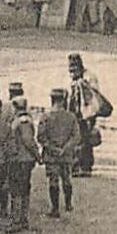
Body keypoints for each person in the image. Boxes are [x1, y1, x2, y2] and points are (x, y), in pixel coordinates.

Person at [37, 88, 80, 217]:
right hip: (66, 155)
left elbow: (41, 137)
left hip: (51, 155)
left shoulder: (46, 116)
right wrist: (66, 148)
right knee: (67, 179)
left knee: (53, 181)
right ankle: (68, 204)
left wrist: (52, 148)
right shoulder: (71, 116)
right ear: (64, 100)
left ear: (52, 100)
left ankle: (55, 209)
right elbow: (76, 136)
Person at [6, 111, 40, 232]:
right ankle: (22, 219)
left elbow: (28, 140)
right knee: (23, 189)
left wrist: (37, 156)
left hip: (20, 160)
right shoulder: (23, 120)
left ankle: (17, 221)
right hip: (23, 160)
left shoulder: (22, 121)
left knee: (17, 190)